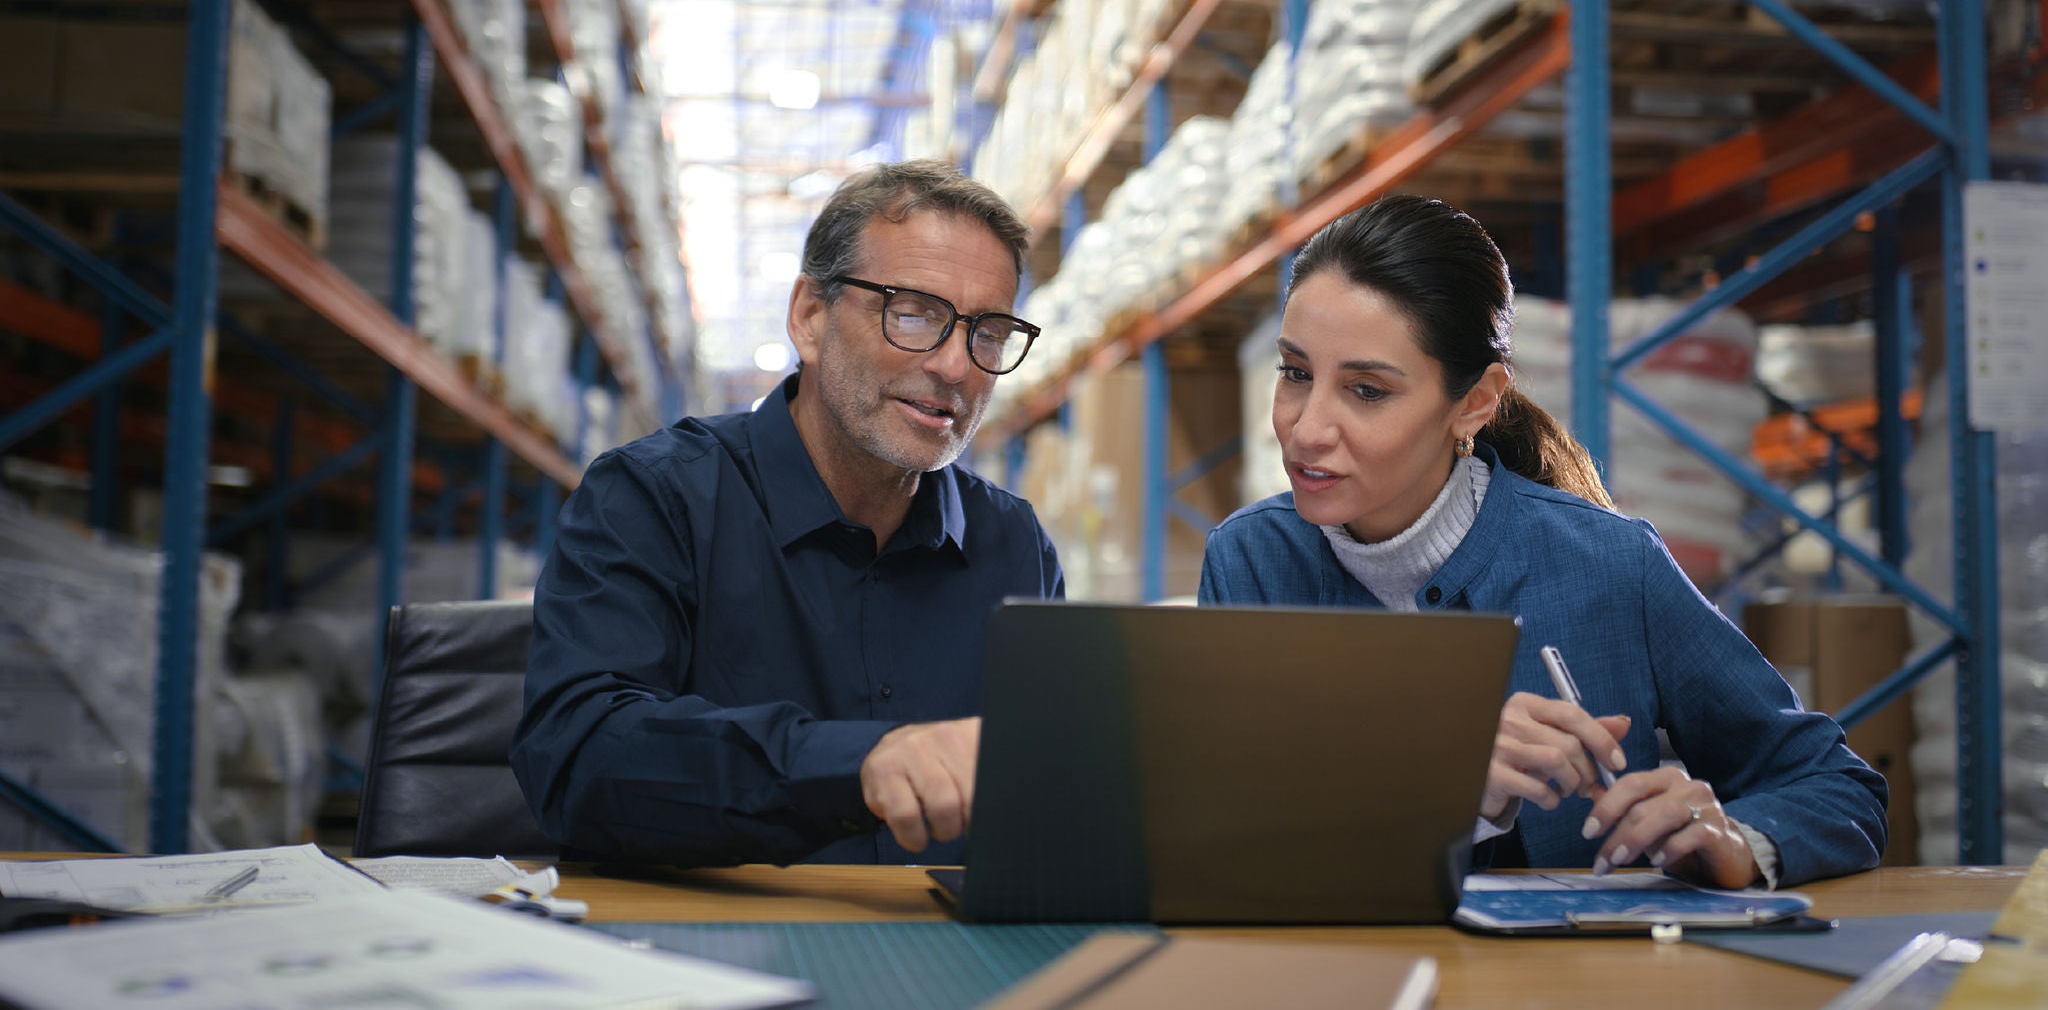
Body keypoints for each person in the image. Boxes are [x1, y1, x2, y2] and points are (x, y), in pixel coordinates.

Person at [1199, 194, 1887, 889]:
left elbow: (1834, 785)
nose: (1307, 429)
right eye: (1295, 374)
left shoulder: (1614, 567)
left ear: (1474, 401)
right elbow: (1221, 840)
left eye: (1367, 390)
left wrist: (1738, 839)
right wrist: (1441, 791)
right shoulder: (1251, 564)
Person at [511, 161, 1062, 867]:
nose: (956, 367)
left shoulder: (1014, 547)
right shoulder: (654, 499)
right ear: (810, 316)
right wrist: (857, 763)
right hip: (711, 953)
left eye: (987, 333)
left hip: (946, 956)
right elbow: (576, 755)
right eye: (914, 313)